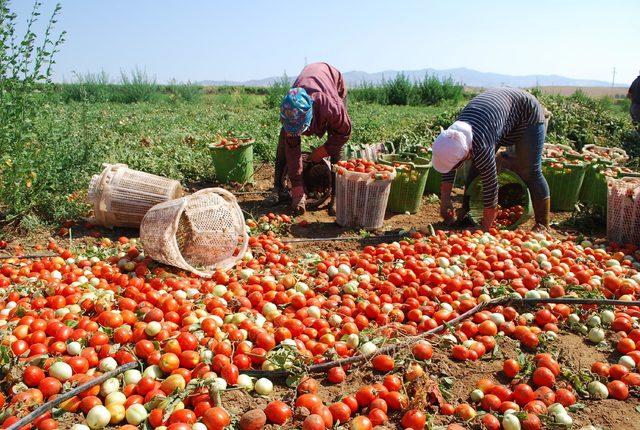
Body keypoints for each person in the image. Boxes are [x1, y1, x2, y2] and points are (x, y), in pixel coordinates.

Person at [431, 87, 550, 231]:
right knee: (476, 166)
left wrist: (485, 228)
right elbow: (449, 163)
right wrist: (445, 200)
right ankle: (468, 213)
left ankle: (543, 224)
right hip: (497, 118)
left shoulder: (480, 145)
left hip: (526, 115)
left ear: (467, 153)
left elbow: (490, 184)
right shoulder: (451, 136)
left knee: (530, 170)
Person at [274, 62, 351, 214]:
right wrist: (297, 190)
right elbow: (292, 148)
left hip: (333, 83)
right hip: (312, 82)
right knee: (285, 140)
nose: (297, 133)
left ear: (310, 115)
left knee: (337, 147)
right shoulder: (290, 110)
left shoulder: (331, 105)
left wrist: (323, 151)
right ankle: (277, 188)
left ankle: (336, 196)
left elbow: (343, 132)